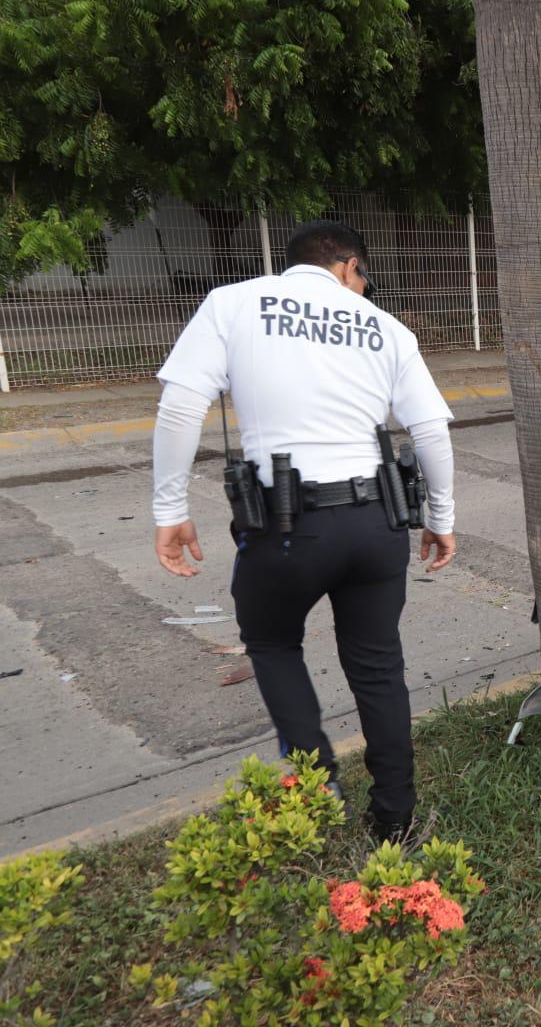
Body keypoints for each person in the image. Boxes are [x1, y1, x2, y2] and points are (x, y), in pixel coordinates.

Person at [150, 220, 458, 843]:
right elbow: (429, 430)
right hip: (376, 523)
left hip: (284, 528)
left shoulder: (233, 303)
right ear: (347, 266)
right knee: (378, 666)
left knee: (271, 645)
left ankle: (318, 795)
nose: (364, 289)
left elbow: (181, 406)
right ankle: (395, 818)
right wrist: (442, 519)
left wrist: (170, 509)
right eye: (364, 277)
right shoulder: (386, 328)